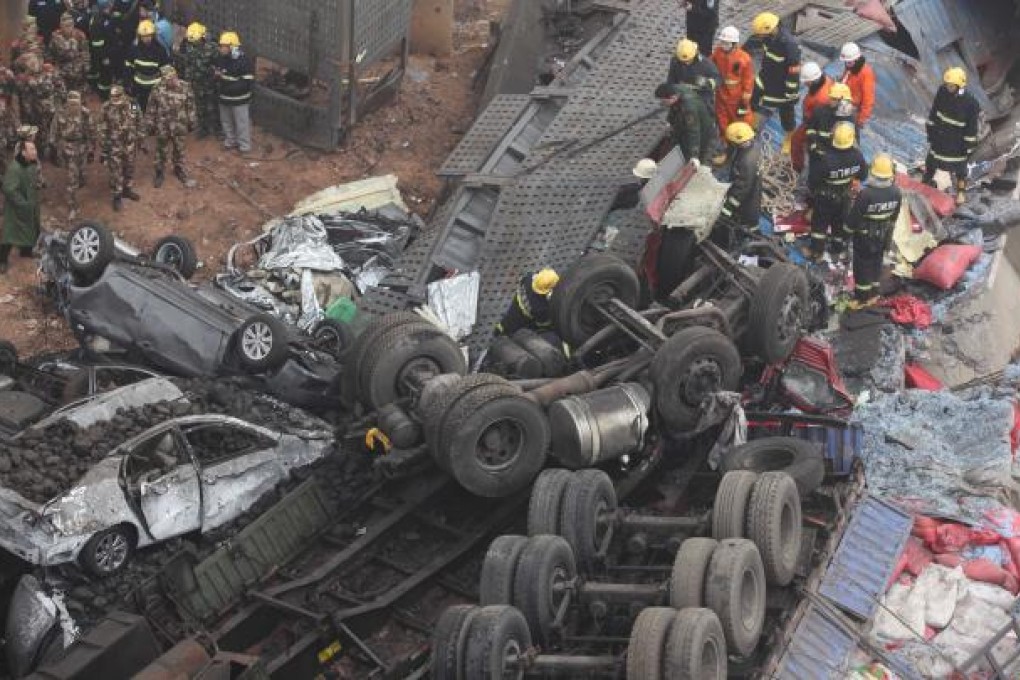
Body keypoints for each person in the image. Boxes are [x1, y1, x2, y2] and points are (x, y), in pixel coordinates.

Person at [846, 153, 901, 307]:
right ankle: (874, 294)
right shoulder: (896, 192)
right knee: (876, 264)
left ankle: (862, 298)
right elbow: (893, 217)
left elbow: (854, 218)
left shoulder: (866, 194)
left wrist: (846, 231)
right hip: (882, 236)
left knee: (862, 267)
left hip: (864, 238)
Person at [807, 122, 868, 259]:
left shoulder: (825, 158)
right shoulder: (858, 156)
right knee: (839, 224)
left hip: (825, 198)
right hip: (844, 197)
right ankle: (836, 250)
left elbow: (814, 180)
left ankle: (816, 252)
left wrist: (813, 194)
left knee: (820, 225)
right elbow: (863, 175)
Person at [922, 67, 980, 206]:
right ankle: (925, 184)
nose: (948, 87)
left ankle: (961, 192)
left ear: (960, 85)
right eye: (947, 84)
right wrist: (930, 130)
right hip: (940, 137)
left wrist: (969, 146)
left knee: (960, 170)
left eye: (951, 86)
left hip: (957, 142)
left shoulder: (971, 103)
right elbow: (934, 111)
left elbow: (971, 128)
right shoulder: (942, 91)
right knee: (931, 163)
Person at [746, 12, 801, 153]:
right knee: (754, 99)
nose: (759, 37)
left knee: (786, 114)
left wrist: (791, 93)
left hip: (782, 86)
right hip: (766, 76)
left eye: (760, 34)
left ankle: (789, 138)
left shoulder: (789, 45)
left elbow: (794, 72)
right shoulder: (768, 38)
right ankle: (752, 126)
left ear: (769, 29)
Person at [145, 65, 196, 188]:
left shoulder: (185, 86)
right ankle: (159, 172)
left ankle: (179, 169)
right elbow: (151, 107)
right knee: (161, 150)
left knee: (179, 149)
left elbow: (191, 105)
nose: (171, 80)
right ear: (163, 79)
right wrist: (150, 124)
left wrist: (192, 121)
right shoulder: (157, 88)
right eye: (167, 78)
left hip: (180, 124)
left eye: (173, 77)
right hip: (163, 124)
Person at [48, 89, 93, 219]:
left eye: (76, 103)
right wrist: (53, 146)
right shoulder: (60, 113)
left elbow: (91, 131)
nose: (73, 106)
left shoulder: (85, 113)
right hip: (68, 149)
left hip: (82, 148)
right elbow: (54, 130)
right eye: (71, 103)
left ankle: (82, 180)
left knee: (82, 172)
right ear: (67, 103)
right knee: (71, 178)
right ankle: (73, 206)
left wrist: (91, 149)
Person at [716, 121, 762, 245]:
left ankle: (752, 241)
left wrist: (727, 209)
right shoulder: (753, 146)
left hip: (747, 199)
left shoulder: (746, 162)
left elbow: (741, 189)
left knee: (748, 220)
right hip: (753, 188)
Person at [98, 83, 142, 210]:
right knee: (116, 171)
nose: (115, 101)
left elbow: (139, 120)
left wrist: (141, 138)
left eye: (117, 97)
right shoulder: (106, 107)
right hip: (114, 145)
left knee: (129, 167)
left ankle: (127, 189)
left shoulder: (133, 104)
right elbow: (100, 126)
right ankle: (117, 195)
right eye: (113, 98)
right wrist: (104, 144)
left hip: (130, 143)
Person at [1, 138, 41, 275]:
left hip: (30, 205)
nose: (35, 152)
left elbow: (33, 180)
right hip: (16, 209)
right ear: (24, 152)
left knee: (31, 228)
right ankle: (2, 261)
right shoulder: (15, 168)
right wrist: (22, 204)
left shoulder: (31, 164)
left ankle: (26, 251)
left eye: (35, 149)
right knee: (10, 234)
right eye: (32, 150)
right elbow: (9, 189)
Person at [710, 26, 753, 154]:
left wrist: (744, 102)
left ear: (735, 44)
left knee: (741, 121)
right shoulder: (718, 52)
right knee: (722, 122)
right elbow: (709, 64)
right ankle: (727, 146)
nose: (723, 45)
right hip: (721, 96)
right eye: (722, 42)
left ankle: (743, 143)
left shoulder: (744, 58)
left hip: (736, 99)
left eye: (726, 43)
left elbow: (748, 81)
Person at [214, 31, 255, 154]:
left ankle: (244, 146)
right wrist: (217, 76)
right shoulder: (221, 59)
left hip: (239, 99)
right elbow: (219, 74)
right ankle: (230, 141)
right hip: (224, 98)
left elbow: (246, 82)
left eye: (224, 46)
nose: (221, 48)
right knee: (226, 121)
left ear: (232, 47)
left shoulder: (244, 61)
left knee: (241, 123)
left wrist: (228, 87)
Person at [655, 82, 714, 166]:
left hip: (702, 131)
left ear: (673, 97)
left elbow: (693, 132)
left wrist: (694, 155)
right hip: (688, 122)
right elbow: (673, 108)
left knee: (690, 155)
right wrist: (670, 121)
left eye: (664, 101)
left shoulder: (688, 109)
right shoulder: (676, 89)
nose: (663, 104)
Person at [178, 22, 220, 138]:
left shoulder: (211, 47)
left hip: (209, 83)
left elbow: (218, 64)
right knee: (199, 107)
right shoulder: (187, 45)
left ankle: (217, 129)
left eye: (194, 40)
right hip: (195, 82)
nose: (192, 42)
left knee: (213, 107)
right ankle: (203, 129)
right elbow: (183, 61)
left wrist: (213, 73)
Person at [790, 61, 832, 173]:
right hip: (812, 119)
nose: (805, 84)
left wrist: (811, 132)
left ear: (813, 81)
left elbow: (818, 119)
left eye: (807, 82)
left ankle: (797, 169)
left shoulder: (822, 98)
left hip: (814, 123)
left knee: (797, 141)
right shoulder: (824, 80)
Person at [496, 269, 559, 336]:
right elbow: (544, 325)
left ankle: (499, 329)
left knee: (509, 319)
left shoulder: (529, 278)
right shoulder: (540, 308)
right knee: (513, 328)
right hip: (523, 318)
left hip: (516, 303)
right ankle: (501, 335)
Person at [668, 38, 720, 118]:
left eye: (689, 60)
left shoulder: (706, 64)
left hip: (701, 95)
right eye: (683, 61)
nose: (686, 63)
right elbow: (671, 78)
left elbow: (718, 79)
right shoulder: (675, 62)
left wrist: (708, 83)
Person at [804, 82, 856, 163]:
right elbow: (810, 130)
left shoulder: (850, 120)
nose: (831, 101)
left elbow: (852, 144)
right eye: (831, 98)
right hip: (816, 154)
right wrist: (814, 147)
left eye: (834, 99)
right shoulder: (820, 111)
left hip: (835, 160)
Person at [126, 19, 169, 112]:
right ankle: (135, 122)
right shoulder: (134, 49)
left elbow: (165, 69)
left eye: (149, 36)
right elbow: (129, 67)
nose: (146, 39)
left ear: (153, 35)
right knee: (134, 107)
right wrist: (128, 83)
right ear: (139, 36)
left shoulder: (160, 50)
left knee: (154, 110)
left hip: (155, 88)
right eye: (144, 36)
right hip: (138, 87)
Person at [48, 12, 91, 93]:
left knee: (78, 94)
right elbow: (51, 53)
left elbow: (85, 52)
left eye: (71, 24)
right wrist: (52, 68)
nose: (69, 27)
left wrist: (85, 67)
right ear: (61, 25)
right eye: (66, 25)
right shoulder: (55, 36)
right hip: (61, 69)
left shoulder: (80, 35)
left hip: (77, 69)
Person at [839, 42, 875, 130]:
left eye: (849, 62)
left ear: (857, 59)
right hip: (844, 104)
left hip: (852, 109)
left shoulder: (866, 73)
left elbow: (868, 99)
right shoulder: (850, 68)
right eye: (846, 62)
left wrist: (861, 119)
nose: (846, 64)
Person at [88, 0, 118, 99]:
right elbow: (97, 44)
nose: (109, 9)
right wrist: (104, 57)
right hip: (103, 55)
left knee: (108, 75)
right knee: (105, 76)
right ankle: (104, 96)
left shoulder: (105, 18)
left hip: (109, 52)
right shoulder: (97, 21)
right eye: (107, 7)